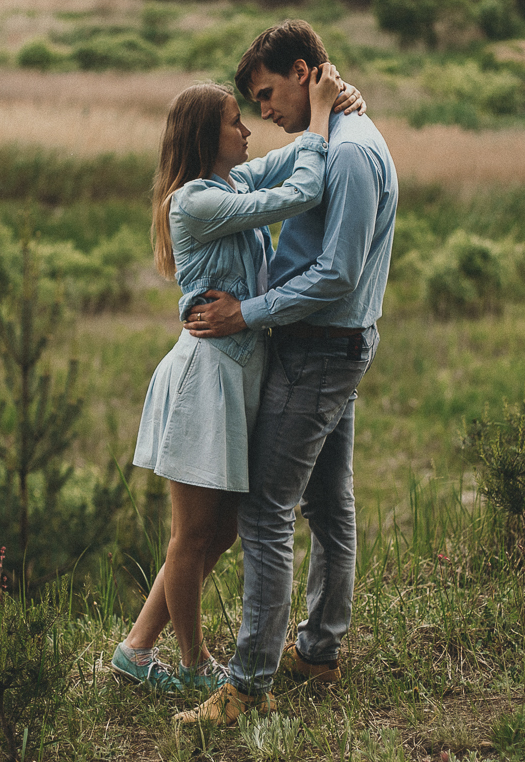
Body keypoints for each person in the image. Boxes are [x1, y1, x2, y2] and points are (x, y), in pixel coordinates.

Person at [111, 65, 366, 693]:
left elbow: (284, 164)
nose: (248, 130)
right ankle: (193, 664)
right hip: (205, 382)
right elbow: (299, 192)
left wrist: (331, 108)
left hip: (235, 380)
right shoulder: (196, 201)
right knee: (192, 535)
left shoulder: (227, 181)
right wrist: (322, 118)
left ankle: (136, 649)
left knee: (220, 532)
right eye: (235, 121)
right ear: (207, 136)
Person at [174, 19, 398, 725]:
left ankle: (246, 685)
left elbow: (337, 273)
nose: (264, 111)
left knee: (267, 510)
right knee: (328, 505)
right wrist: (325, 113)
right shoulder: (332, 138)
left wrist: (248, 313)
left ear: (303, 72)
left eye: (268, 94)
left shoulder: (351, 154)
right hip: (325, 345)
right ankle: (318, 652)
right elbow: (257, 181)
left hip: (319, 348)